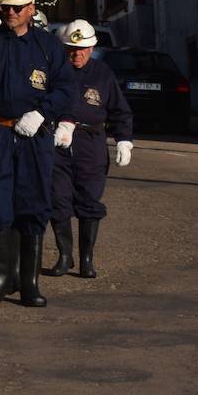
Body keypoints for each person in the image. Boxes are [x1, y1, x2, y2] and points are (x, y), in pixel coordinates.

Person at [0, 0, 76, 308]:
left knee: (33, 201)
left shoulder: (47, 44)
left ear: (31, 7)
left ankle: (29, 282)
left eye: (16, 7)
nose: (10, 12)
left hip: (33, 134)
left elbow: (64, 88)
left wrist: (42, 114)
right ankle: (0, 279)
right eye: (6, 7)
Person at [48, 20, 134, 279]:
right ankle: (65, 256)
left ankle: (87, 258)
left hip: (91, 142)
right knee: (57, 198)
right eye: (72, 48)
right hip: (58, 143)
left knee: (89, 199)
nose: (77, 53)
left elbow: (120, 109)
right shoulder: (55, 72)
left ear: (92, 47)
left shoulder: (103, 73)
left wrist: (124, 139)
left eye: (83, 48)